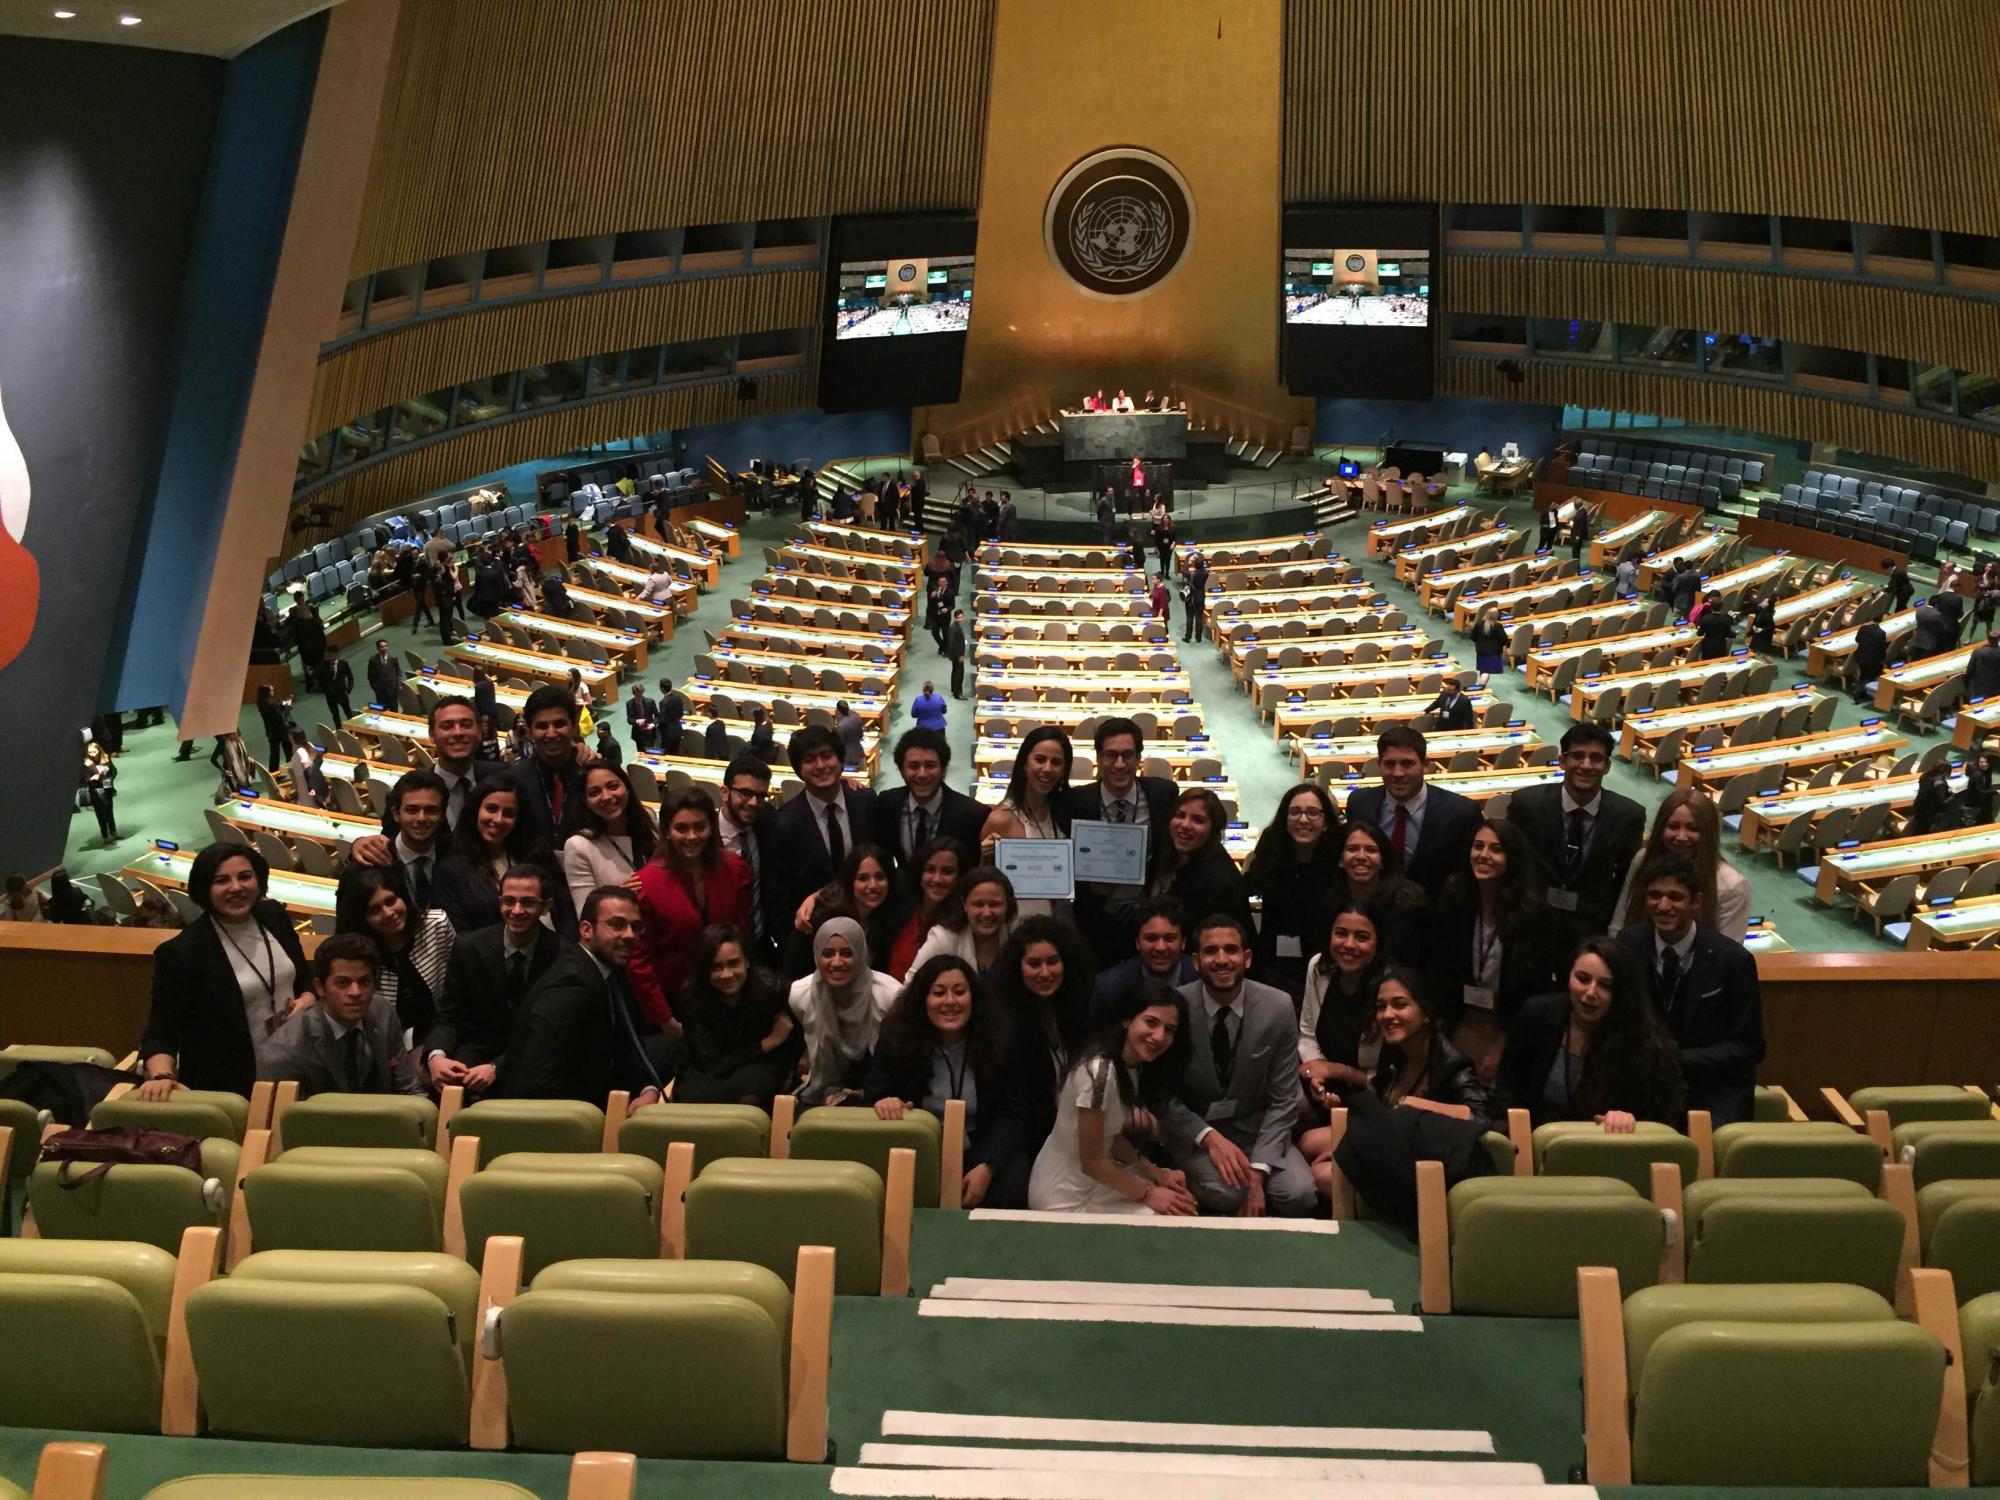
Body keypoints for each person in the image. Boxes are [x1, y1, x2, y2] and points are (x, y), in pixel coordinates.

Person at [1161, 915, 1314, 1216]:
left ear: (1247, 958)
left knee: (1300, 1194)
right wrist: (1210, 1138)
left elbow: (1285, 1098)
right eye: (1210, 951)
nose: (1221, 960)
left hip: (1254, 1128)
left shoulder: (1279, 1006)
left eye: (1231, 950)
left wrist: (1257, 1172)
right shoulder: (1173, 1007)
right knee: (1230, 1193)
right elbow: (1162, 1095)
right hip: (1199, 1131)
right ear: (1195, 961)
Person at [134, 844, 315, 1099]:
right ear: (204, 889)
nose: (236, 888)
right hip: (234, 1083)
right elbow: (161, 1032)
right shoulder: (182, 952)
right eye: (222, 881)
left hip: (296, 1061)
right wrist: (162, 1076)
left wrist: (308, 997)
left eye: (245, 877)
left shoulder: (273, 915)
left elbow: (304, 977)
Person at [866, 955, 1030, 1208]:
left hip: (982, 1142)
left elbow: (1014, 1109)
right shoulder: (896, 1038)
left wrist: (987, 1166)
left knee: (1010, 1190)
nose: (950, 1002)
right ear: (923, 999)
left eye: (960, 992)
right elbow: (874, 1096)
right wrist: (886, 1103)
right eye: (939, 993)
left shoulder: (1000, 1037)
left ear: (973, 997)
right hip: (919, 1146)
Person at [1617, 854, 1765, 1126]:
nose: (1663, 905)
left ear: (1696, 902)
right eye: (1655, 895)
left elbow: (1749, 1048)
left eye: (1675, 897)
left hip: (1712, 1092)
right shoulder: (1628, 945)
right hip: (1643, 1090)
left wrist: (1675, 1059)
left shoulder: (1732, 960)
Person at [1028, 982, 1197, 1215]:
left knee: (1179, 1202)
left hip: (1096, 1178)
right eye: (1151, 1022)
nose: (1159, 1036)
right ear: (1127, 1020)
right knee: (1169, 1216)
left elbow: (1110, 1136)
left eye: (1169, 1030)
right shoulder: (1099, 1074)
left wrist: (1156, 1174)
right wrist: (1149, 1193)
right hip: (1065, 1195)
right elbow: (1092, 1162)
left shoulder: (1131, 1065)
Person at [499, 886, 666, 1107]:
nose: (629, 935)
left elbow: (625, 1044)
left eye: (635, 927)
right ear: (586, 930)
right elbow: (540, 1083)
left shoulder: (610, 970)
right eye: (617, 925)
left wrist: (647, 1088)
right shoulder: (571, 984)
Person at [1496, 936, 1685, 1129]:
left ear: (1622, 991)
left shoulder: (1645, 1045)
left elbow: (1661, 1120)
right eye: (1583, 979)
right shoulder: (1537, 1016)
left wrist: (1631, 1121)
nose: (1591, 992)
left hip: (1606, 1149)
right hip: (1534, 1143)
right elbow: (1507, 1088)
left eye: (1605, 985)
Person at [1428, 818, 1559, 1066]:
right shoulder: (1455, 900)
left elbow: (1535, 990)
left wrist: (1504, 1043)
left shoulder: (1533, 914)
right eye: (1478, 846)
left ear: (1512, 858)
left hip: (1511, 1026)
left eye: (1496, 849)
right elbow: (1443, 971)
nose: (1484, 855)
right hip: (1460, 1019)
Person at [429, 865, 566, 1096]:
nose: (517, 910)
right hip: (477, 1051)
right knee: (449, 1082)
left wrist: (498, 1067)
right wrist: (436, 1056)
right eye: (509, 901)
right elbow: (449, 1015)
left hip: (536, 1057)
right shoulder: (469, 948)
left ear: (546, 907)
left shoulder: (563, 957)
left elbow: (553, 1036)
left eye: (528, 902)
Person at [1505, 720, 1647, 939]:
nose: (1586, 765)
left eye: (1596, 758)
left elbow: (1625, 882)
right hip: (1530, 925)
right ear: (1562, 761)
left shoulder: (1628, 816)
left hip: (1590, 931)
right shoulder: (1527, 804)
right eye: (1578, 756)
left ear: (1607, 766)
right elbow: (1512, 863)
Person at [628, 786, 753, 1022]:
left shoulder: (735, 869)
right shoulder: (646, 884)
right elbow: (639, 962)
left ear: (711, 828)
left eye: (700, 826)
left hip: (732, 994)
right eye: (681, 828)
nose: (692, 836)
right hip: (675, 1006)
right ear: (666, 831)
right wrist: (664, 1019)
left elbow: (742, 932)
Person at [257, 933, 426, 1097]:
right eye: (342, 983)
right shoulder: (282, 1054)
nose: (356, 992)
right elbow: (285, 1122)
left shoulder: (382, 1011)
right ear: (319, 987)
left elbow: (408, 1087)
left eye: (364, 982)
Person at [992, 915, 1096, 1158]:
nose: (1045, 972)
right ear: (1018, 967)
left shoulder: (1079, 1007)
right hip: (1031, 1138)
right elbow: (1015, 1104)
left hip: (1079, 1128)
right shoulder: (1003, 1021)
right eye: (1034, 964)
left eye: (1053, 961)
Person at [764, 724, 880, 937]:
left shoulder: (866, 802)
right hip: (813, 936)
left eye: (827, 756)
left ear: (840, 760)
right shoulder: (784, 823)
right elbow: (779, 895)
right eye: (809, 759)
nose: (820, 765)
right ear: (798, 769)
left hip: (871, 928)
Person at [1345, 724, 1481, 903]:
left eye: (1407, 764)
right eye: (1389, 764)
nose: (1398, 773)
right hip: (1372, 913)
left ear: (1425, 765)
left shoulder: (1461, 813)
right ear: (1379, 765)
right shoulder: (1359, 804)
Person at [334, 861, 454, 1053]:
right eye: (375, 910)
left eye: (391, 901)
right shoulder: (360, 954)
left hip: (440, 1038)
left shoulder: (436, 924)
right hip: (384, 1049)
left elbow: (455, 993)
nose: (388, 913)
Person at [673, 923, 799, 1105]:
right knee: (692, 1099)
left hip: (757, 1068)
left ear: (747, 961)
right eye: (716, 967)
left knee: (752, 1095)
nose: (726, 974)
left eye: (733, 963)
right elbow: (715, 1065)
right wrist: (768, 1042)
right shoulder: (692, 1000)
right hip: (707, 1072)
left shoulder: (771, 987)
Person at [789, 916, 900, 1107]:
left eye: (847, 953)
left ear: (861, 953)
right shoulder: (802, 994)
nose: (837, 962)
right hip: (822, 1093)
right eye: (828, 953)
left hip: (880, 1096)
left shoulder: (888, 995)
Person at [1244, 783, 1340, 1002]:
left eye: (1313, 813)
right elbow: (1247, 889)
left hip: (1325, 963)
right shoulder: (1271, 847)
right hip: (1275, 964)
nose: (1303, 820)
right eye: (1295, 812)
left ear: (1325, 822)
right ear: (1285, 819)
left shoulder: (1339, 857)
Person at [1613, 788, 1750, 941]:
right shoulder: (1642, 860)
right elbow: (1618, 925)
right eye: (1673, 826)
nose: (1681, 837)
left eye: (1693, 828)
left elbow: (1728, 953)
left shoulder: (1732, 886)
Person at [1297, 899, 1387, 1115]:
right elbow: (1308, 1035)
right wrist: (1316, 1073)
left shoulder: (1390, 986)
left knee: (1310, 1144)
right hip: (1327, 1087)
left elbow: (1395, 1078)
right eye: (1341, 933)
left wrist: (1336, 1071)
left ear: (1378, 943)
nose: (1349, 944)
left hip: (1375, 1096)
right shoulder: (1319, 968)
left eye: (1362, 937)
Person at [977, 726, 1071, 917]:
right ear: (1024, 764)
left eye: (1056, 762)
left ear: (1064, 770)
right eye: (1040, 760)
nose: (1047, 769)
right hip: (1017, 926)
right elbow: (979, 885)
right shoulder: (1001, 818)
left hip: (1057, 923)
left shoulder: (1065, 811)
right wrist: (983, 857)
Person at [871, 727, 986, 872]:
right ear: (901, 770)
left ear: (943, 769)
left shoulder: (972, 814)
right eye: (913, 766)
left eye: (930, 765)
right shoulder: (887, 803)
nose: (922, 774)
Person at [1148, 788, 1252, 939]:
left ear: (1213, 829)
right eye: (1180, 815)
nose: (1185, 825)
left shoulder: (1222, 881)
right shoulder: (1165, 855)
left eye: (1198, 820)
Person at [561, 763, 657, 918]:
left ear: (627, 787)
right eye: (595, 792)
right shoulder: (579, 846)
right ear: (586, 801)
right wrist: (616, 897)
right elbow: (585, 915)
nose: (606, 797)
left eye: (613, 786)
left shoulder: (649, 820)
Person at [503, 685, 591, 848]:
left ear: (574, 725)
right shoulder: (514, 780)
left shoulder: (593, 773)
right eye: (542, 726)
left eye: (559, 724)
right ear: (529, 730)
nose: (551, 734)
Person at [1089, 895, 1197, 1025]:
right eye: (1151, 938)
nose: (1161, 947)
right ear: (1137, 943)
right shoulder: (1109, 988)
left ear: (1183, 943)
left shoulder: (1202, 977)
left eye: (1170, 938)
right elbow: (1099, 1041)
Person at [713, 754, 775, 958]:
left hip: (761, 945)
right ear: (725, 792)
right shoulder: (702, 837)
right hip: (717, 952)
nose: (754, 803)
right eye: (745, 793)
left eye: (761, 795)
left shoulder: (767, 823)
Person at [909, 865, 1019, 974]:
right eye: (978, 904)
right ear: (964, 904)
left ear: (1007, 905)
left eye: (995, 904)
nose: (987, 913)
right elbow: (910, 986)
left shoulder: (1017, 935)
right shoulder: (943, 938)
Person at [80, 741, 119, 841]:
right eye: (90, 752)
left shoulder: (105, 758)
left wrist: (109, 779)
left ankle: (113, 831)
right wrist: (92, 778)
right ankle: (105, 835)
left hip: (107, 788)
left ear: (99, 750)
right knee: (100, 814)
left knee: (109, 812)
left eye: (94, 751)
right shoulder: (86, 763)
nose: (92, 754)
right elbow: (82, 779)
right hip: (94, 791)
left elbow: (114, 771)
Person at [288, 597, 326, 692]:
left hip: (306, 651)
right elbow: (321, 634)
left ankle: (310, 686)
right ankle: (320, 684)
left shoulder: (297, 625)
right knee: (319, 666)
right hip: (317, 648)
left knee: (309, 668)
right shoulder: (314, 621)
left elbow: (296, 639)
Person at [1850, 615, 1889, 703]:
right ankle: (1858, 689)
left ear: (1872, 619)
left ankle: (1860, 691)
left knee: (1863, 674)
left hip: (1860, 656)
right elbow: (1882, 648)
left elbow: (1857, 639)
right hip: (1873, 659)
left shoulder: (1863, 628)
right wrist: (1883, 660)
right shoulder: (1881, 633)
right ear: (1881, 620)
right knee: (1870, 676)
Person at [254, 684, 292, 774]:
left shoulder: (261, 702)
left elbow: (276, 707)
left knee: (274, 753)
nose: (273, 692)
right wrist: (288, 706)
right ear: (266, 692)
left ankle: (274, 773)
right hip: (281, 730)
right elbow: (281, 716)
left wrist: (281, 704)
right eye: (271, 690)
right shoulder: (271, 704)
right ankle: (292, 770)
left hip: (271, 731)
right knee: (288, 751)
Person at [287, 730, 328, 809]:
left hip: (305, 784)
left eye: (290, 736)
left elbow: (307, 769)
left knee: (311, 806)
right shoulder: (306, 745)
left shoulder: (301, 751)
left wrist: (311, 787)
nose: (288, 738)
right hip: (306, 782)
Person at [1469, 605, 1508, 685]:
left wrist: (1479, 643)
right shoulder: (1498, 626)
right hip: (1494, 652)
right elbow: (1504, 639)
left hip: (1481, 651)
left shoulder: (1479, 624)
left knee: (1484, 670)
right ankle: (1481, 686)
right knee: (1486, 671)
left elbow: (1472, 637)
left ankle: (1482, 686)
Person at [1694, 592, 1735, 659]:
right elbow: (1729, 634)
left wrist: (1699, 628)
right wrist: (1736, 633)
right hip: (1721, 647)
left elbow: (1699, 634)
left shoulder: (1705, 619)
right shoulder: (1726, 619)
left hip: (1707, 648)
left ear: (1711, 607)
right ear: (1721, 607)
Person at [321, 647, 355, 728]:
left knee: (348, 711)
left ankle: (353, 728)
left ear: (336, 654)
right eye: (328, 655)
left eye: (331, 654)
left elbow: (350, 677)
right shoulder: (324, 665)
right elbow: (317, 676)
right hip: (330, 695)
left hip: (342, 693)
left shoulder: (343, 664)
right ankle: (339, 730)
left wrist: (349, 689)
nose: (329, 657)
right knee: (335, 715)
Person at [1180, 552, 1209, 643]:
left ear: (1195, 565)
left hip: (1191, 597)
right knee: (1199, 618)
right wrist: (1199, 559)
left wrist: (1189, 561)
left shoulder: (1192, 574)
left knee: (1190, 617)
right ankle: (1198, 637)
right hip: (1201, 596)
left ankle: (1188, 637)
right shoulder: (1206, 574)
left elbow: (1184, 571)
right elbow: (1202, 567)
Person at [624, 681, 660, 753]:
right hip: (638, 734)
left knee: (651, 752)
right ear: (634, 693)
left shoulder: (650, 702)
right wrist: (637, 721)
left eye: (641, 693)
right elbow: (629, 720)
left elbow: (657, 716)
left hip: (649, 732)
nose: (639, 695)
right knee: (641, 753)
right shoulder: (629, 704)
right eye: (637, 694)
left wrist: (653, 724)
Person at [1967, 630, 2000, 703]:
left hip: (1980, 690)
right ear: (1998, 640)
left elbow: (1969, 671)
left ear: (1988, 638)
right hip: (1997, 690)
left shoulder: (1978, 652)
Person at [834, 700, 866, 771]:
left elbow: (840, 744)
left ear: (838, 711)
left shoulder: (840, 727)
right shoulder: (856, 717)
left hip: (847, 757)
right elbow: (861, 735)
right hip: (859, 752)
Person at [945, 608, 968, 699]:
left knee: (955, 671)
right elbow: (952, 643)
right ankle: (958, 694)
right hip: (957, 655)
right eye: (958, 618)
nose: (960, 619)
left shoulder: (957, 626)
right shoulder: (953, 628)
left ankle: (954, 689)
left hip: (957, 654)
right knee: (959, 673)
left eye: (961, 617)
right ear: (955, 618)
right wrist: (960, 656)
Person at [1149, 499, 1173, 576]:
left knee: (1168, 560)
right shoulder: (1159, 528)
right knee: (1162, 560)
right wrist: (1158, 547)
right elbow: (1157, 538)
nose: (1165, 520)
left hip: (1169, 546)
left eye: (1167, 519)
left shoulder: (1172, 528)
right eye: (1164, 519)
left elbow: (1174, 538)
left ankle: (1167, 574)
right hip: (1162, 546)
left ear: (1169, 520)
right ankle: (1162, 572)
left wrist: (1173, 544)